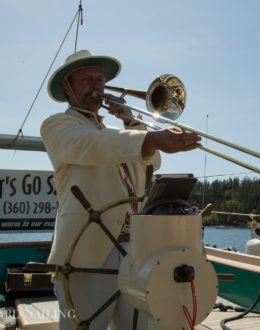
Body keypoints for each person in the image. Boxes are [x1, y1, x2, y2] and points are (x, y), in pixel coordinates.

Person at [40, 49, 201, 330]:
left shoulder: (118, 134)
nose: (98, 86)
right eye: (87, 79)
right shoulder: (58, 125)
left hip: (133, 249)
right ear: (67, 87)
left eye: (100, 79)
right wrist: (148, 136)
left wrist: (132, 121)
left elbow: (152, 161)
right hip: (86, 251)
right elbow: (91, 146)